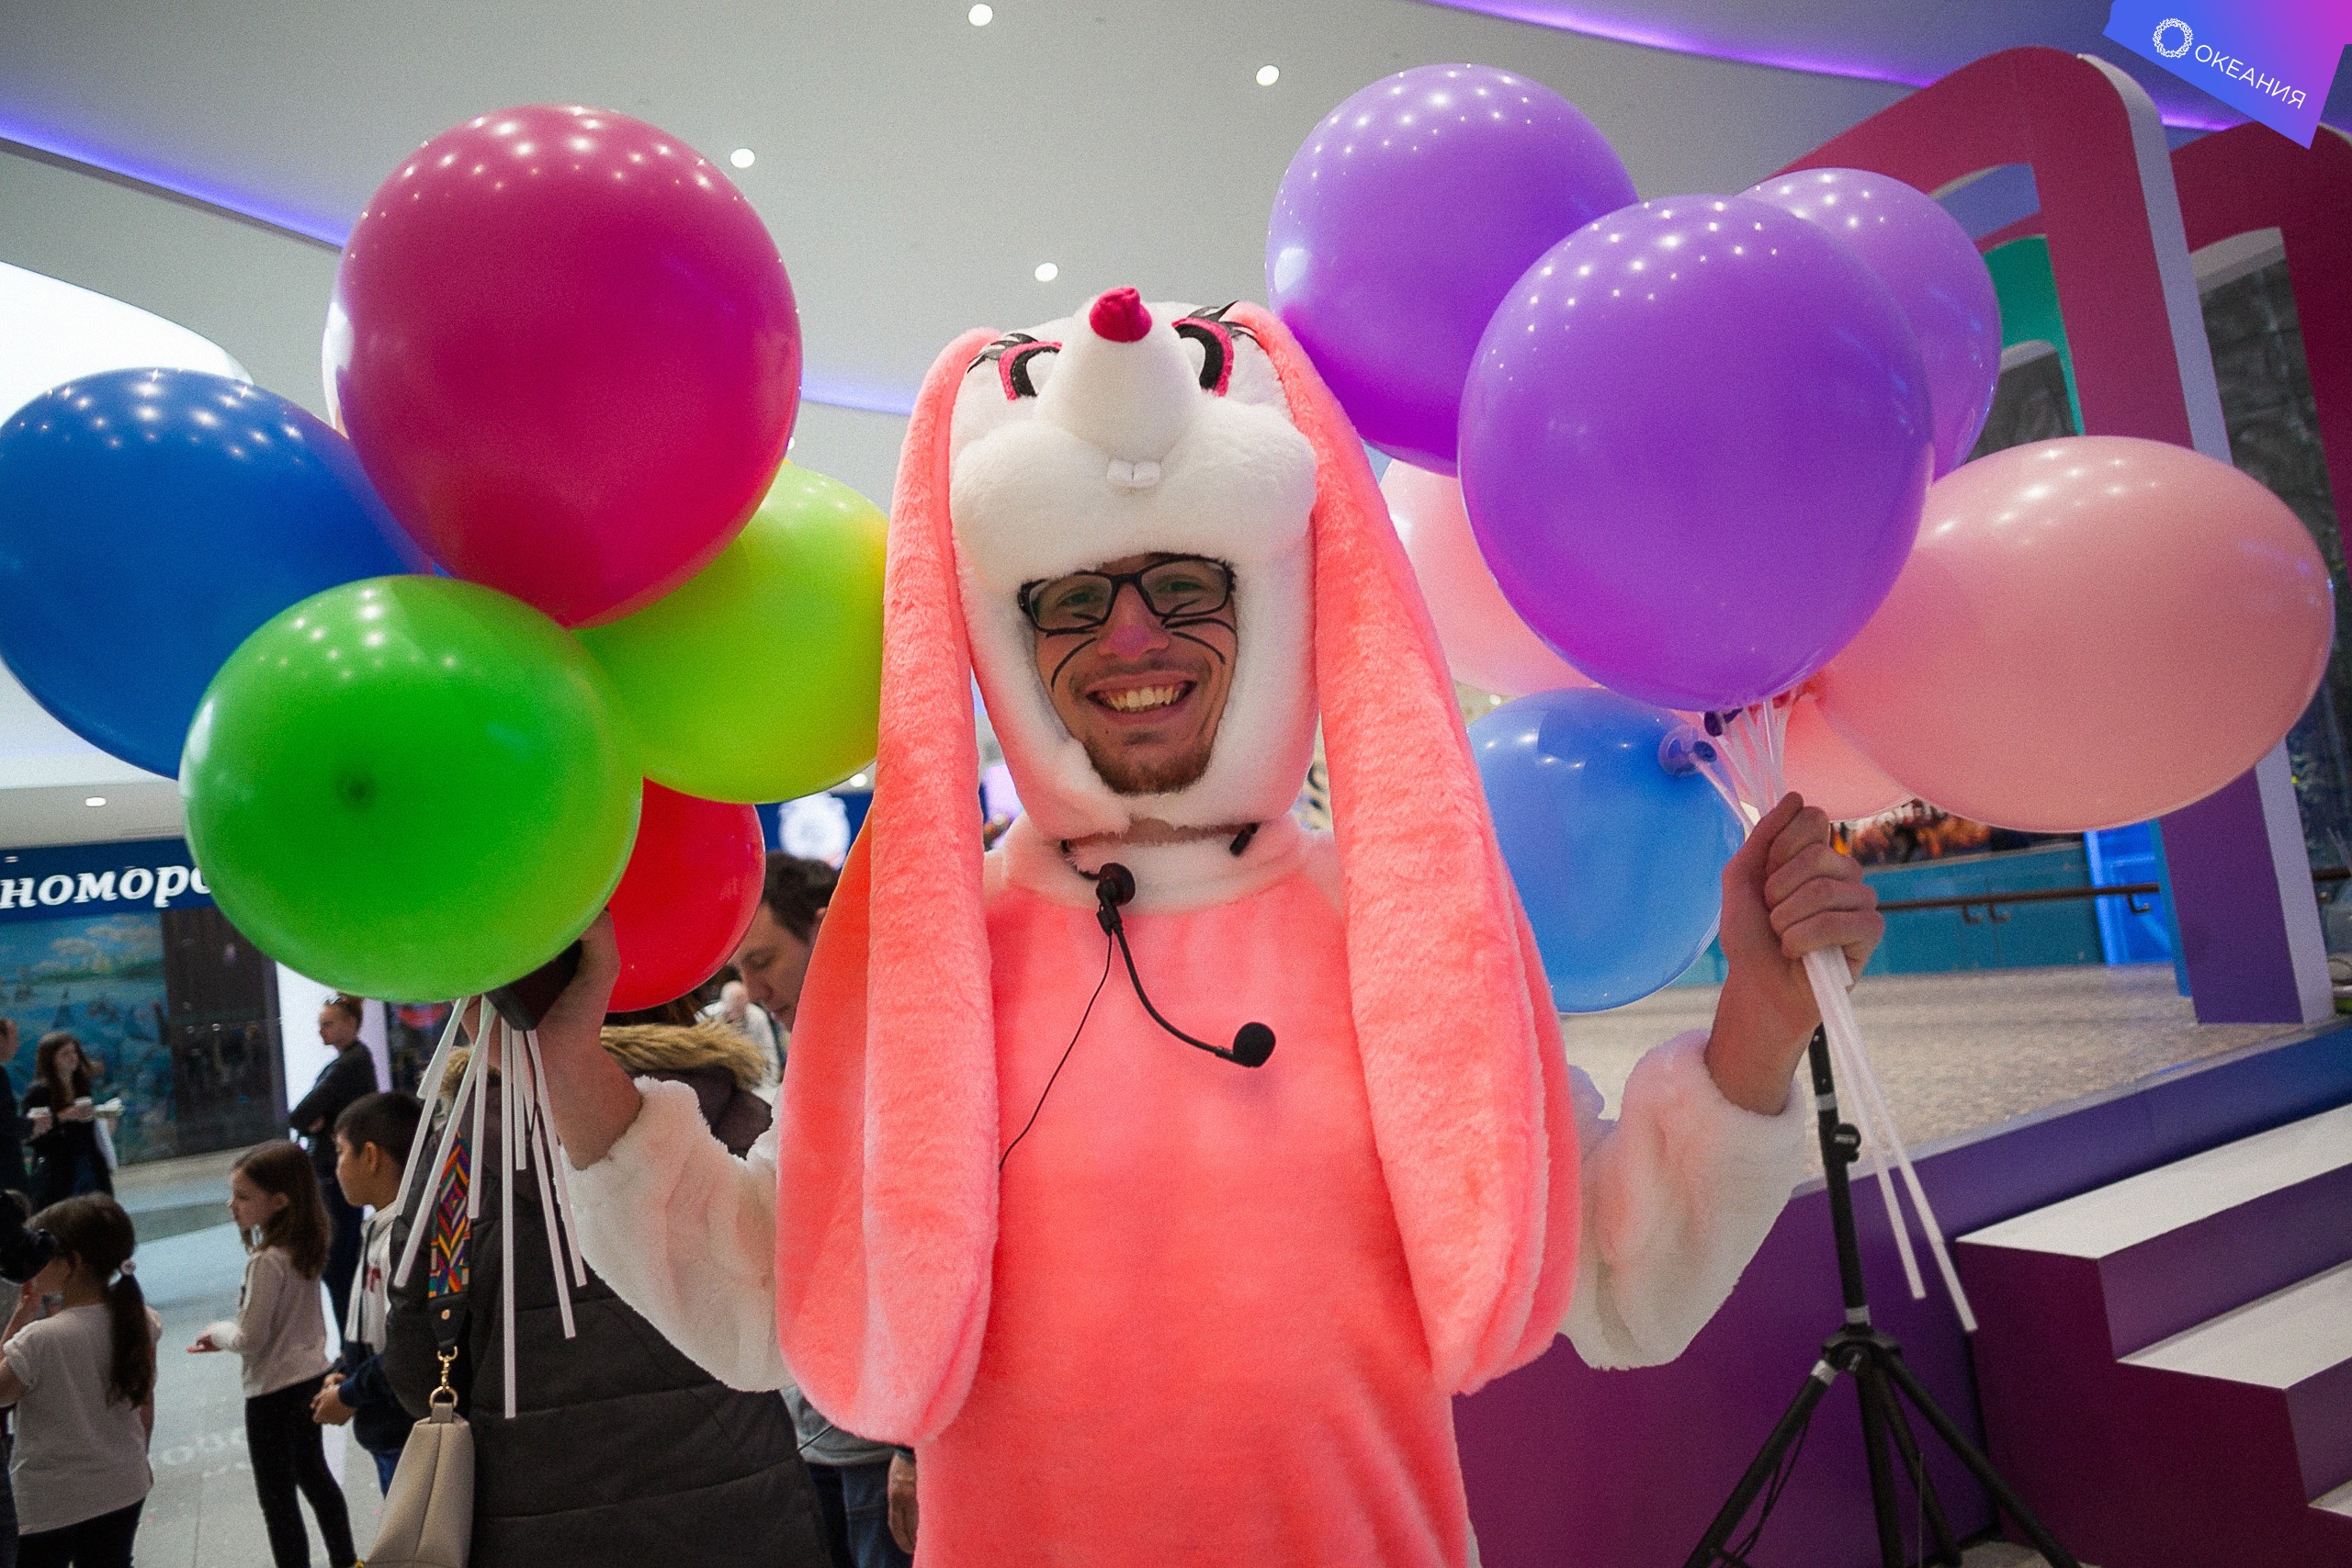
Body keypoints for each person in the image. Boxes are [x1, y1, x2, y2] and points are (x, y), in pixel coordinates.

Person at [536, 293, 1882, 1564]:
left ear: (1269, 600)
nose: (1133, 637)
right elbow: (764, 1291)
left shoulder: (1390, 920)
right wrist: (567, 1055)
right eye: (1074, 596)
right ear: (1010, 638)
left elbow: (1616, 1279)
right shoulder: (935, 955)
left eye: (1186, 583)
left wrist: (1759, 1027)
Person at [380, 1015, 831, 1567]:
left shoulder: (459, 1156)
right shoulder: (744, 1117)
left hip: (535, 1515)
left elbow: (417, 1358)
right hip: (745, 1507)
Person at [189, 1141, 355, 1568]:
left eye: (243, 1197)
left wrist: (217, 1332)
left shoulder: (266, 1262)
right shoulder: (307, 1246)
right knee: (316, 1478)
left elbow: (250, 1337)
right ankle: (346, 1560)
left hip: (272, 1394)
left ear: (280, 1201)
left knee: (277, 1499)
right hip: (310, 1377)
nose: (232, 1205)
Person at [0, 1195, 155, 1568]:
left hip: (53, 1500)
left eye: (42, 1254)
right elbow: (144, 1404)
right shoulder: (140, 1320)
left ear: (72, 1262)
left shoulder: (38, 1339)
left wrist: (18, 1322)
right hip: (125, 1482)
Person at [309, 1091, 422, 1493]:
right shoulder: (380, 1227)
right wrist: (345, 1369)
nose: (335, 1166)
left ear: (371, 1157)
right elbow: (374, 1334)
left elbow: (408, 1349)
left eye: (340, 1152)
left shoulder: (404, 1239)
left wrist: (350, 1393)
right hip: (389, 1427)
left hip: (406, 1433)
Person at [288, 996, 378, 1331]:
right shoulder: (351, 1062)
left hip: (333, 1173)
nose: (321, 1031)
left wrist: (317, 1123)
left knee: (338, 1261)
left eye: (328, 1023)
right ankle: (354, 1340)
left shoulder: (347, 1066)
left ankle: (353, 1341)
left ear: (350, 1023)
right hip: (334, 1170)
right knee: (342, 1259)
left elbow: (301, 1114)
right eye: (320, 1024)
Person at [22, 1035, 110, 1211]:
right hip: (57, 1168)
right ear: (50, 1058)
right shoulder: (39, 1093)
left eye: (74, 1052)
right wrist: (63, 1117)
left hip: (88, 1161)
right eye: (65, 1054)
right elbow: (31, 1135)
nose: (73, 1057)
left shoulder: (81, 1086)